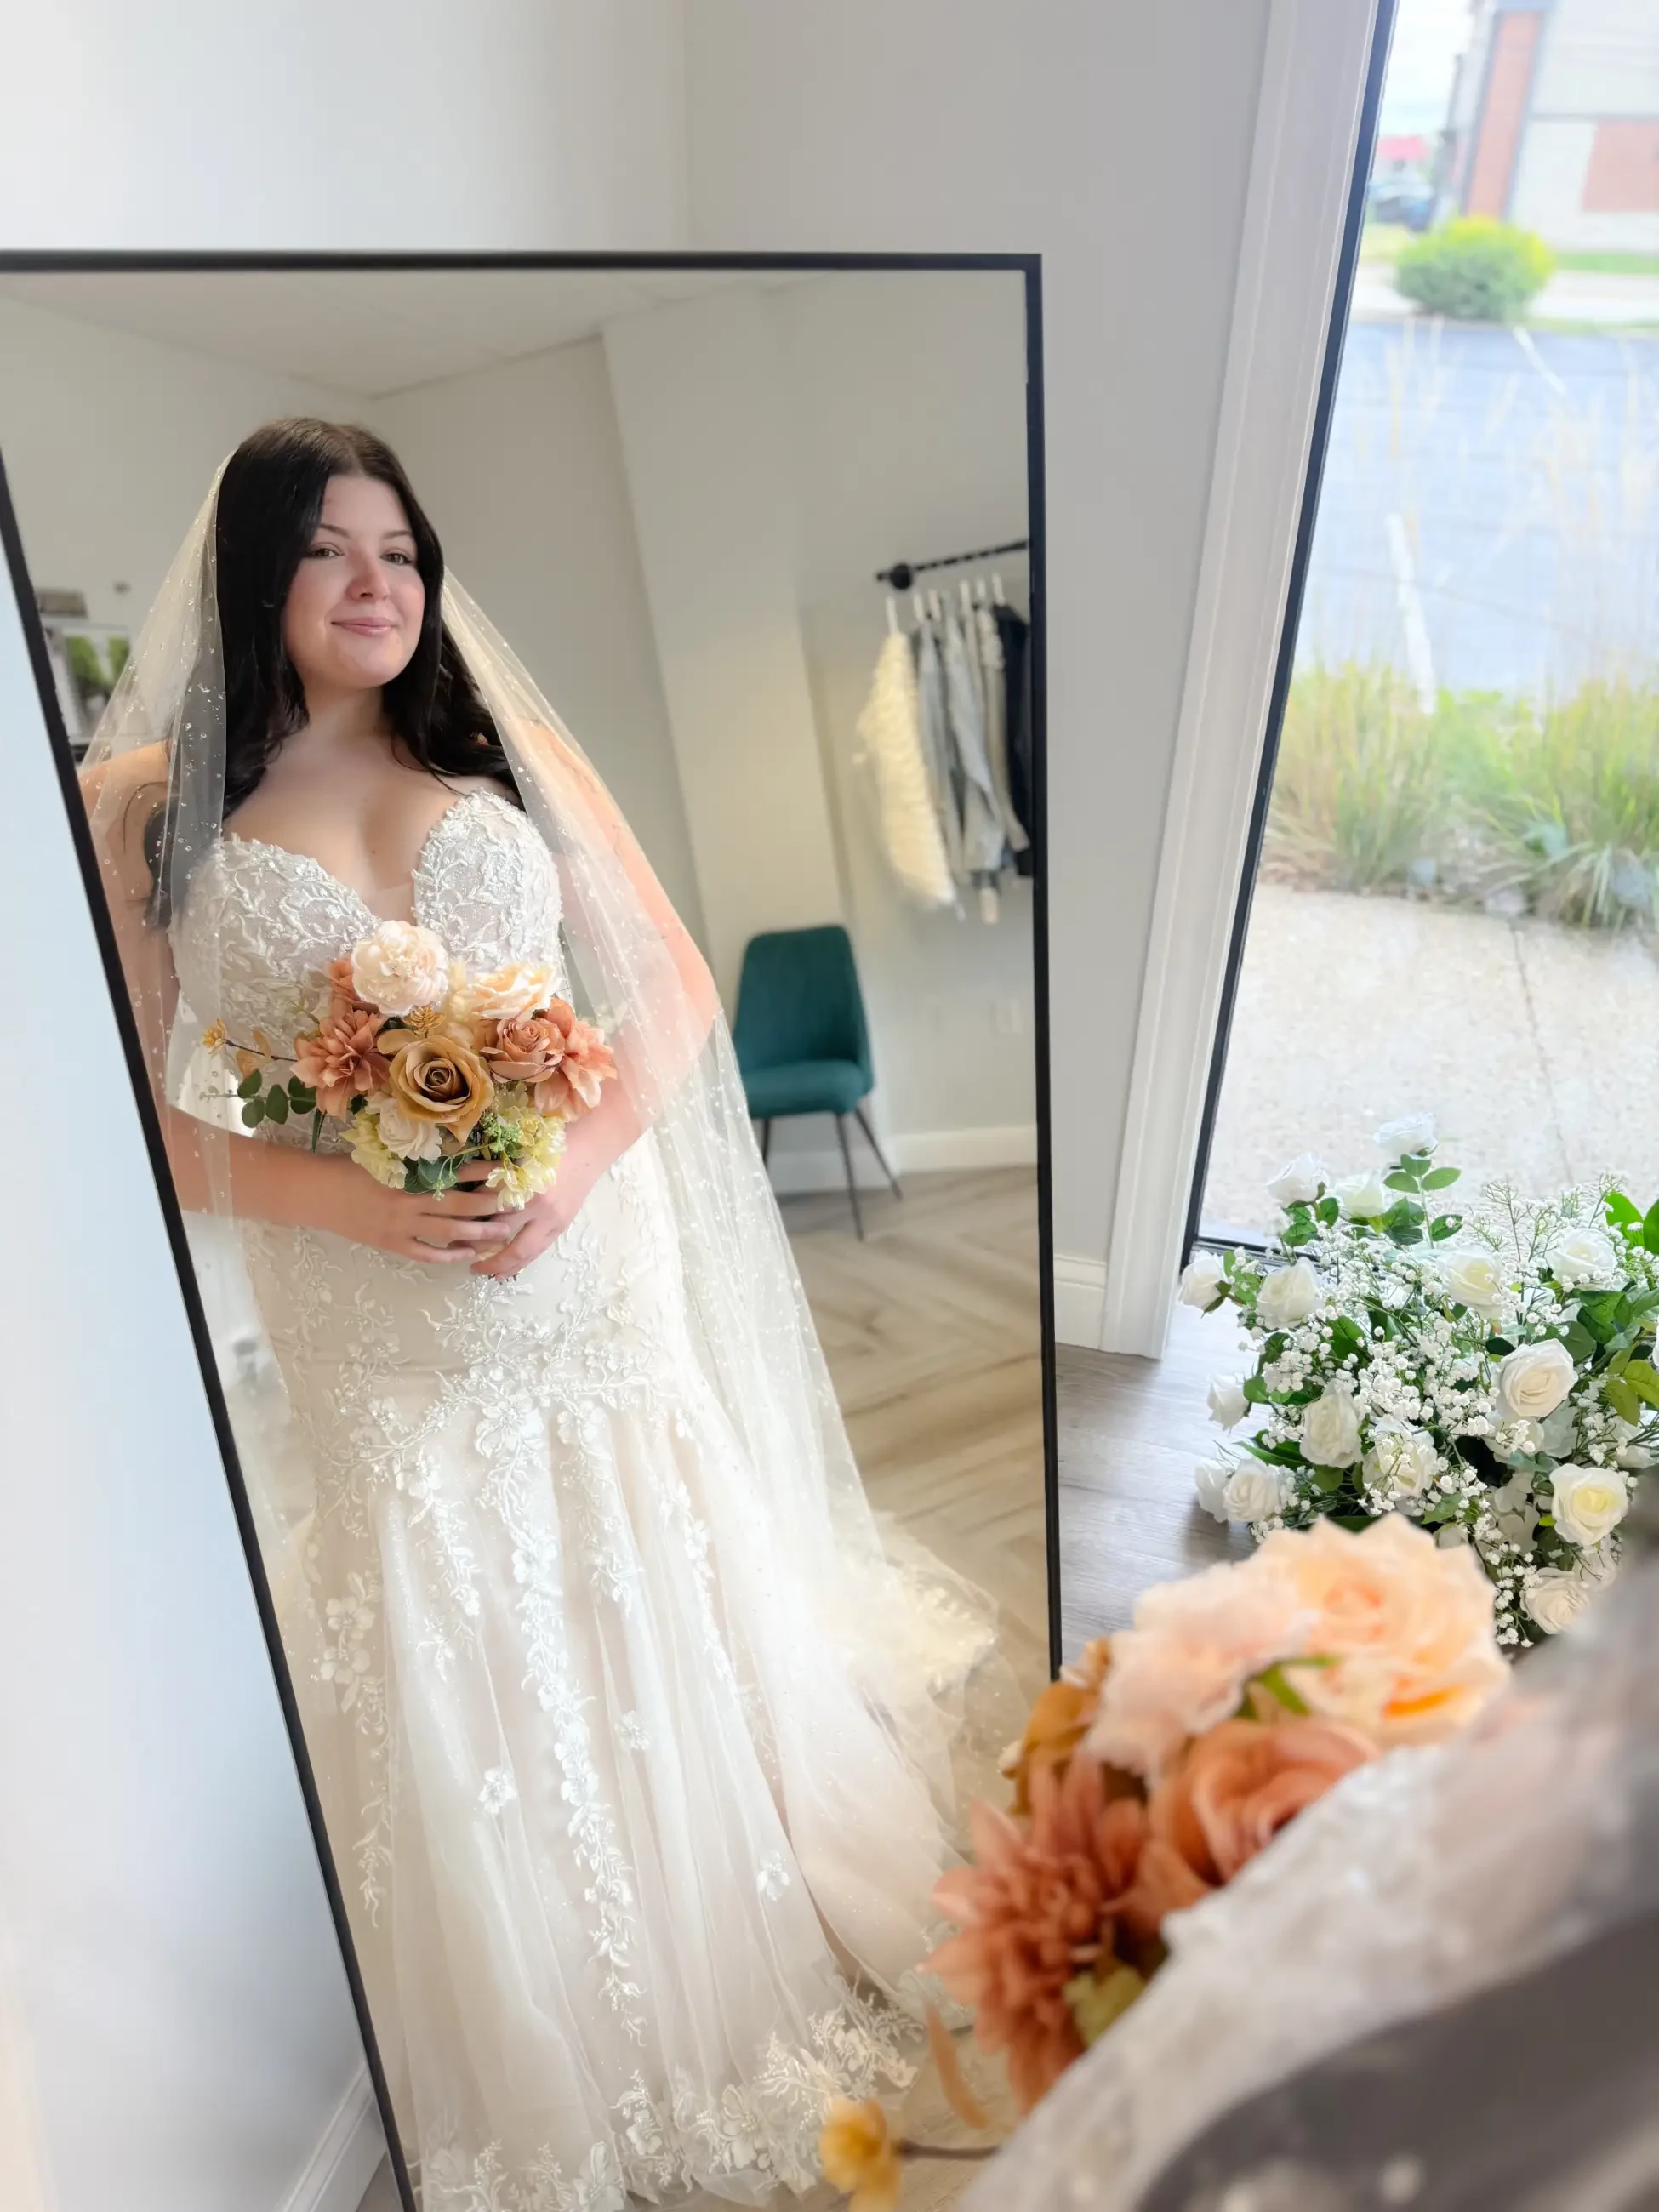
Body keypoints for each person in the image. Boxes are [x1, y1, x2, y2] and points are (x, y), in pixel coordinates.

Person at [81, 419, 999, 2209]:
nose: (379, 583)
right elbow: (154, 1122)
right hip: (369, 1299)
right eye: (334, 548)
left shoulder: (496, 747)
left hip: (585, 1257)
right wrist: (358, 1194)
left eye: (404, 553)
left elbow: (665, 992)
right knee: (448, 1603)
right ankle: (546, 2014)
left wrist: (567, 1174)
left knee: (639, 1559)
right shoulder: (144, 810)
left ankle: (730, 1940)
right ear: (255, 573)